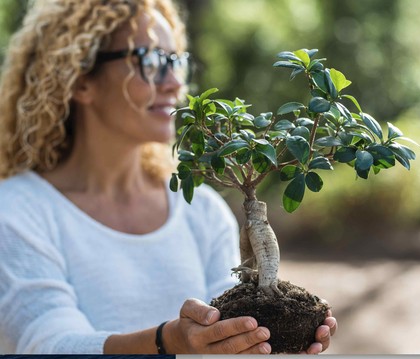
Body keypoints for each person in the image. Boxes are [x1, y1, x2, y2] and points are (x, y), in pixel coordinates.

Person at [0, 0, 337, 355]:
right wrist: (167, 341)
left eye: (175, 61)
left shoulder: (200, 209)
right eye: (150, 61)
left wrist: (263, 342)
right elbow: (47, 343)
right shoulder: (16, 211)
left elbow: (233, 327)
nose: (175, 83)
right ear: (81, 79)